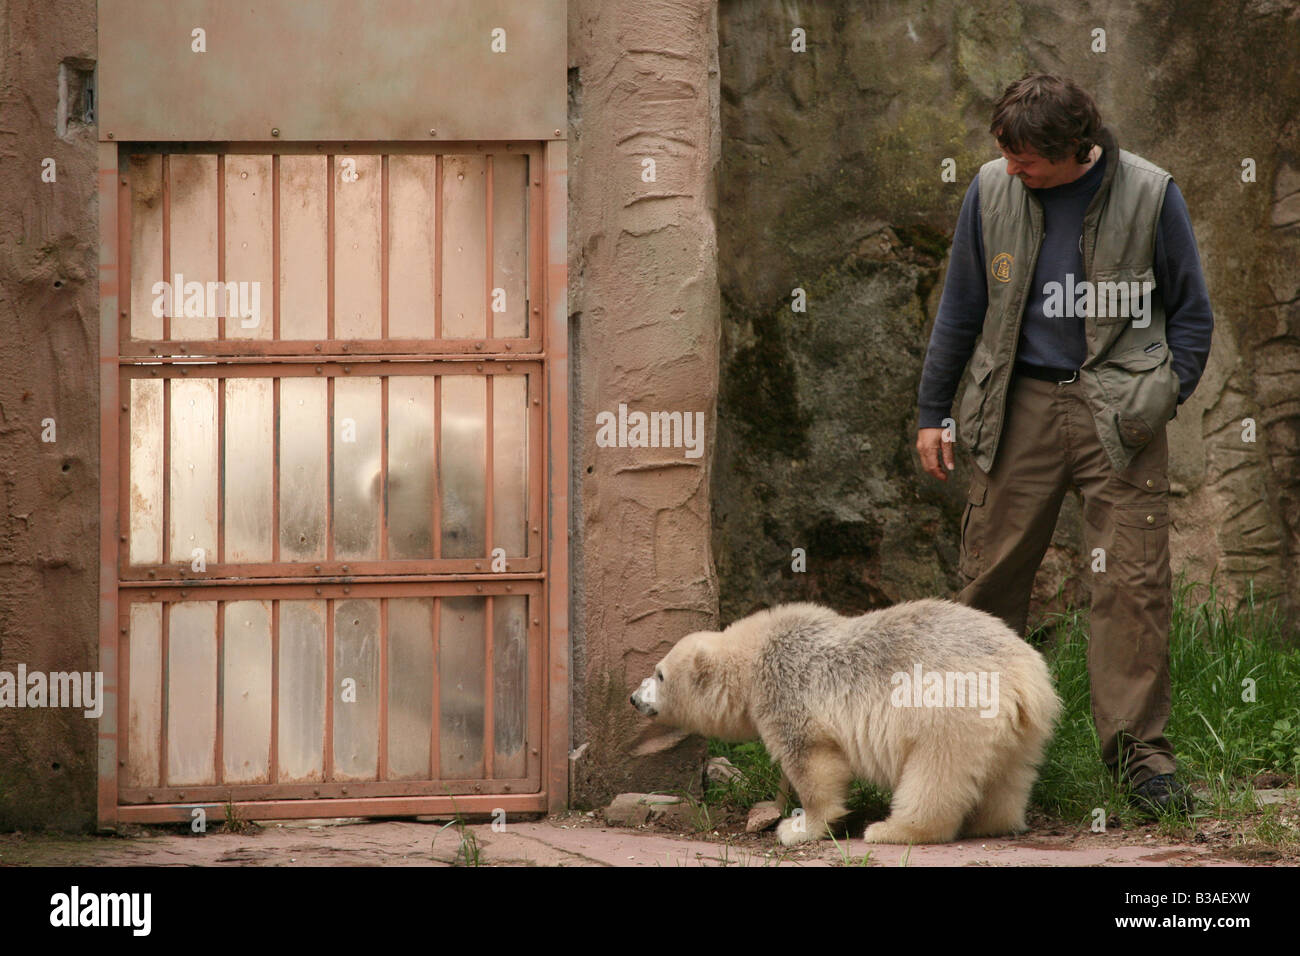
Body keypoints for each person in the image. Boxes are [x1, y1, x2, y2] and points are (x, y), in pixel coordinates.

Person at [915, 73, 1213, 817]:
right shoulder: (990, 190)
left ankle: (1141, 763)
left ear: (1077, 149)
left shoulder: (1150, 193)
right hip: (1019, 404)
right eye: (1006, 154)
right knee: (988, 582)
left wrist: (1159, 395)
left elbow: (1191, 313)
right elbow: (962, 306)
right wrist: (933, 411)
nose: (1014, 169)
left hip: (1122, 413)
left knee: (1131, 587)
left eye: (1027, 159)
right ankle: (965, 754)